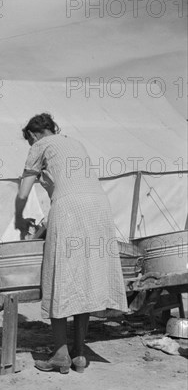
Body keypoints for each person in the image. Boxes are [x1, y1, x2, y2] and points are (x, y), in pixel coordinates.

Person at [15, 113, 128, 374]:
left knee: (60, 277)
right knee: (84, 279)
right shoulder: (75, 143)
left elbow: (23, 192)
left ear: (33, 135)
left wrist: (20, 217)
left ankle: (60, 356)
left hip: (70, 210)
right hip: (99, 207)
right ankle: (79, 354)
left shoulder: (38, 146)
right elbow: (70, 183)